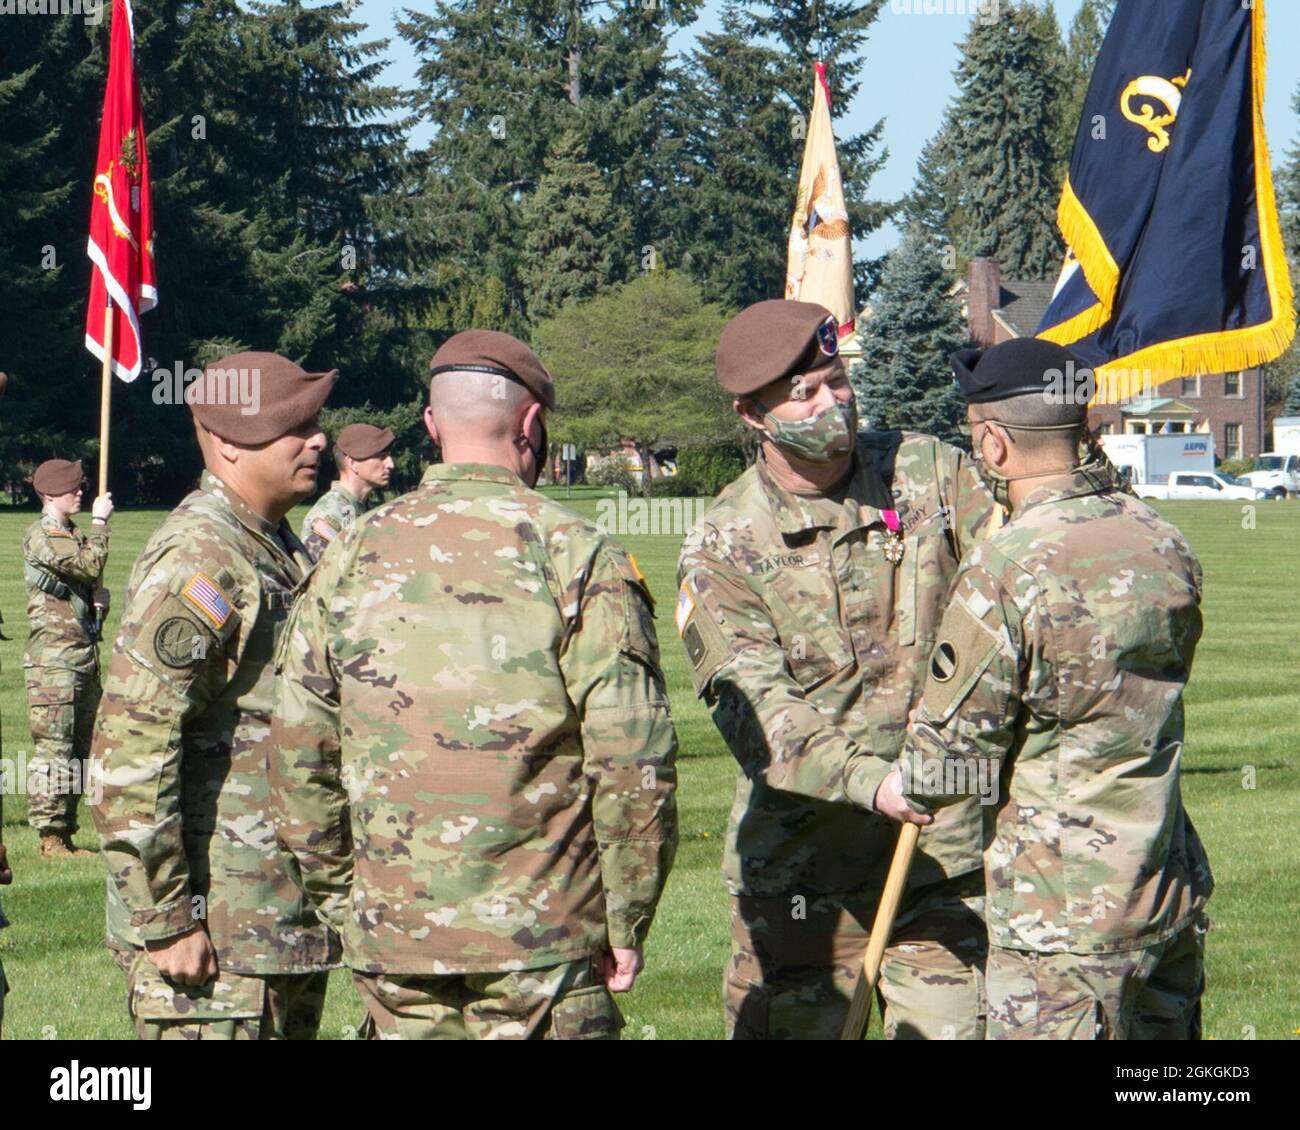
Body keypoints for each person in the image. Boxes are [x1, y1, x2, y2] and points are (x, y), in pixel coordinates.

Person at [271, 330, 679, 1040]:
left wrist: (351, 906)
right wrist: (627, 916)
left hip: (395, 943)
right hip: (545, 944)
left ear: (431, 427)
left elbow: (299, 751)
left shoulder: (349, 556)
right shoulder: (576, 554)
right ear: (531, 425)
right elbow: (633, 759)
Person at [676, 299, 998, 1040]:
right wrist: (874, 783)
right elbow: (756, 712)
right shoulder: (725, 544)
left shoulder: (930, 472)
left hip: (939, 866)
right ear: (753, 414)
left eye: (836, 379)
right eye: (806, 393)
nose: (834, 403)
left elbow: (1021, 576)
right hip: (803, 887)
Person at [876, 337, 1213, 1040]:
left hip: (1060, 920)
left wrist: (921, 739)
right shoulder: (1162, 539)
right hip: (1164, 892)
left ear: (993, 444)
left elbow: (944, 769)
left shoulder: (1007, 565)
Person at [90, 351, 341, 1040]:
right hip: (215, 951)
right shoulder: (206, 557)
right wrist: (167, 920)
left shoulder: (269, 544)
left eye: (317, 422)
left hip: (272, 928)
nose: (317, 439)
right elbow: (131, 749)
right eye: (295, 425)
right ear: (227, 443)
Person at [23, 457, 113, 858]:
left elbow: (85, 582)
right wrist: (100, 523)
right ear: (48, 493)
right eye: (73, 486)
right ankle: (49, 837)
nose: (81, 490)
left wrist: (99, 605)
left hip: (82, 656)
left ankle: (67, 833)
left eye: (80, 484)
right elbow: (88, 563)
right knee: (54, 750)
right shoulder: (44, 534)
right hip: (53, 663)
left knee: (82, 749)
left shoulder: (69, 533)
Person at [300, 422, 395, 561]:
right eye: (381, 457)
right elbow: (320, 577)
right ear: (352, 463)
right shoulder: (329, 515)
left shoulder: (364, 508)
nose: (391, 464)